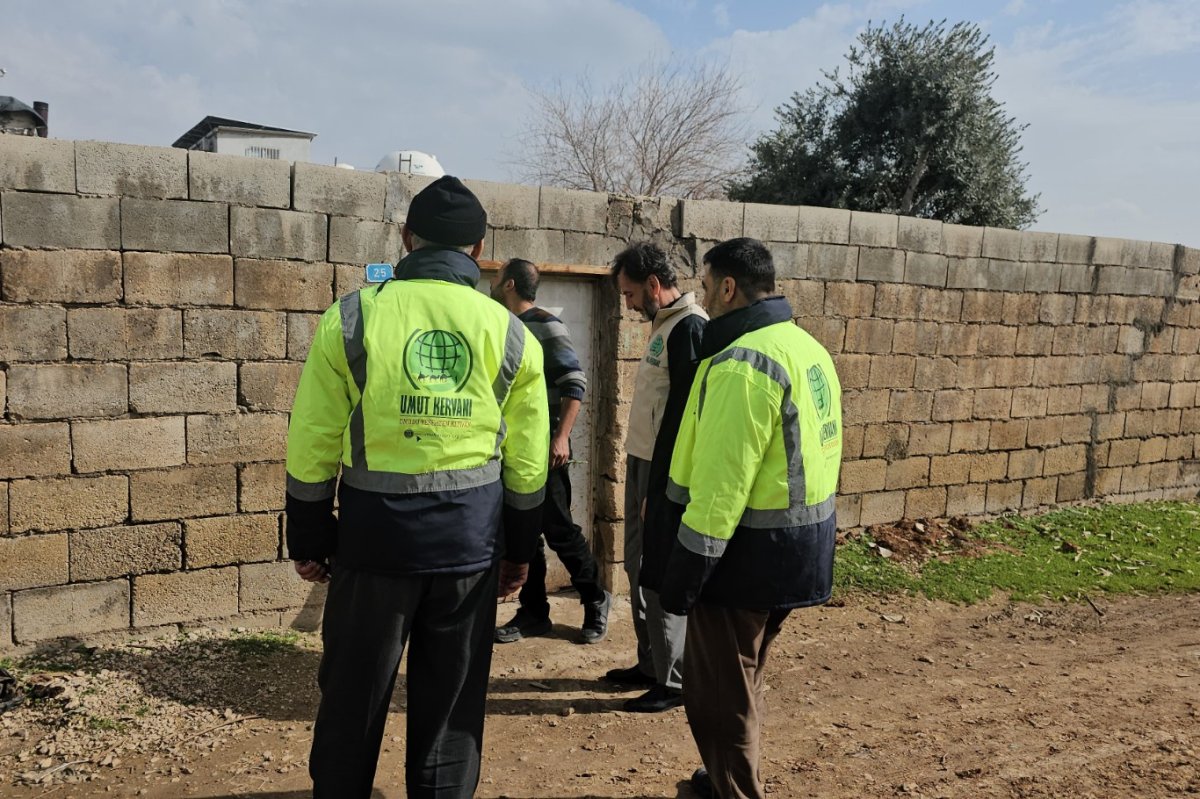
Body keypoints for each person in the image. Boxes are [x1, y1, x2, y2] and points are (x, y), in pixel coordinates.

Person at [284, 175, 549, 798]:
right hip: (469, 550)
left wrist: (310, 536)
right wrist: (519, 552)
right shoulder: (511, 332)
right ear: (481, 249)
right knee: (450, 713)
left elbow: (314, 440)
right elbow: (529, 465)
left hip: (374, 548)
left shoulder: (350, 316)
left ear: (406, 240)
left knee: (352, 697)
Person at [657, 237, 842, 799]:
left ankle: (735, 791)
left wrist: (685, 574)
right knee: (743, 678)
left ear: (729, 287)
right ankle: (724, 782)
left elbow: (721, 486)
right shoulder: (805, 348)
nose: (703, 297)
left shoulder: (742, 363)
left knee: (719, 695)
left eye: (708, 285)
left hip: (744, 559)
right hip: (797, 551)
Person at [604, 241, 707, 713]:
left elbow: (685, 416)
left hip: (662, 471)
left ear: (652, 285)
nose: (627, 305)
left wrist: (664, 489)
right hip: (641, 461)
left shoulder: (689, 329)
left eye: (629, 294)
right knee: (636, 566)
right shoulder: (665, 326)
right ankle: (650, 664)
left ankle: (674, 680)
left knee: (658, 569)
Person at [489, 257, 612, 644]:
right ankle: (534, 613)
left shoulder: (545, 323)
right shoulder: (505, 325)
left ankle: (595, 597)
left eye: (496, 278)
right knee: (523, 533)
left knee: (558, 530)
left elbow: (574, 381)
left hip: (545, 451)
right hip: (512, 450)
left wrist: (561, 436)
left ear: (509, 284)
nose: (492, 284)